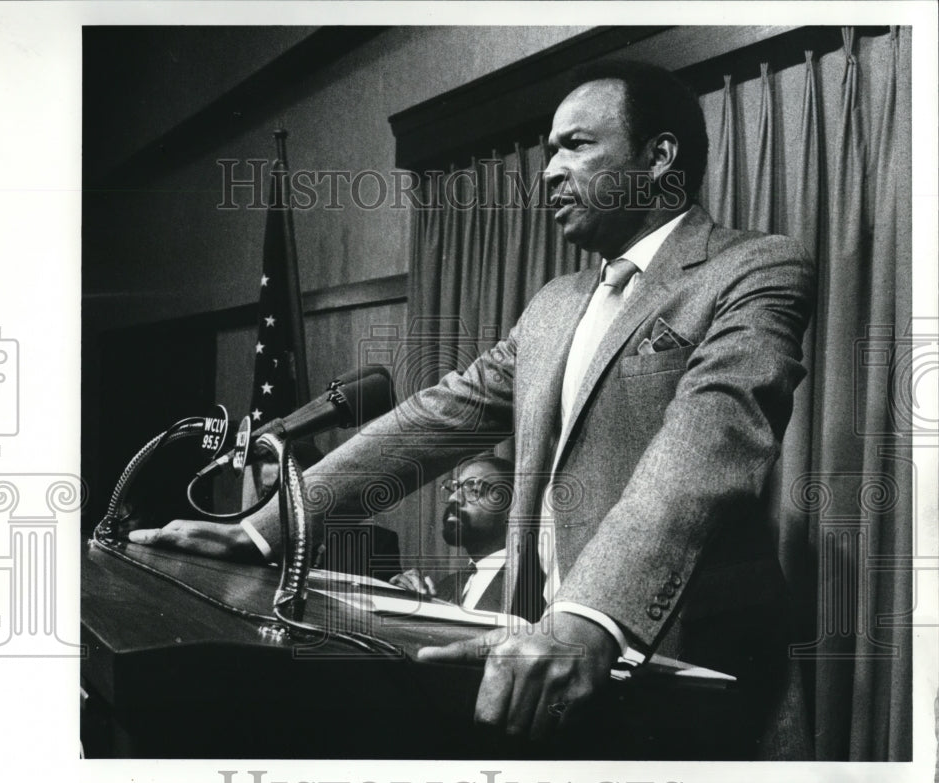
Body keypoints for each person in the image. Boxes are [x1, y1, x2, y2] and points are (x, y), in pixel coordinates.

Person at [129, 60, 814, 758]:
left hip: (692, 685)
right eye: (548, 150)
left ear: (660, 156)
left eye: (576, 145)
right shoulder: (554, 303)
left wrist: (589, 619)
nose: (549, 170)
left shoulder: (755, 268)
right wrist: (265, 529)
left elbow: (705, 444)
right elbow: (439, 415)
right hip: (538, 675)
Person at [390, 455, 513, 612]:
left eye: (474, 490)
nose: (453, 498)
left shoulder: (537, 583)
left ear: (513, 508)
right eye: (455, 489)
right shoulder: (444, 588)